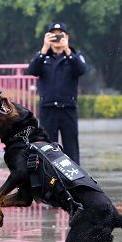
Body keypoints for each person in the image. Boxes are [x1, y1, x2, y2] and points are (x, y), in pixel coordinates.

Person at [25, 22, 87, 164]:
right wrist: (44, 48)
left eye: (60, 35)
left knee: (71, 147)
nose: (57, 38)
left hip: (68, 109)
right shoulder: (43, 56)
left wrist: (67, 50)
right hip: (48, 109)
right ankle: (49, 178)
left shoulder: (74, 55)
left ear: (67, 37)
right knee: (47, 148)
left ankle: (74, 180)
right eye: (53, 35)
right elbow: (32, 70)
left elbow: (81, 70)